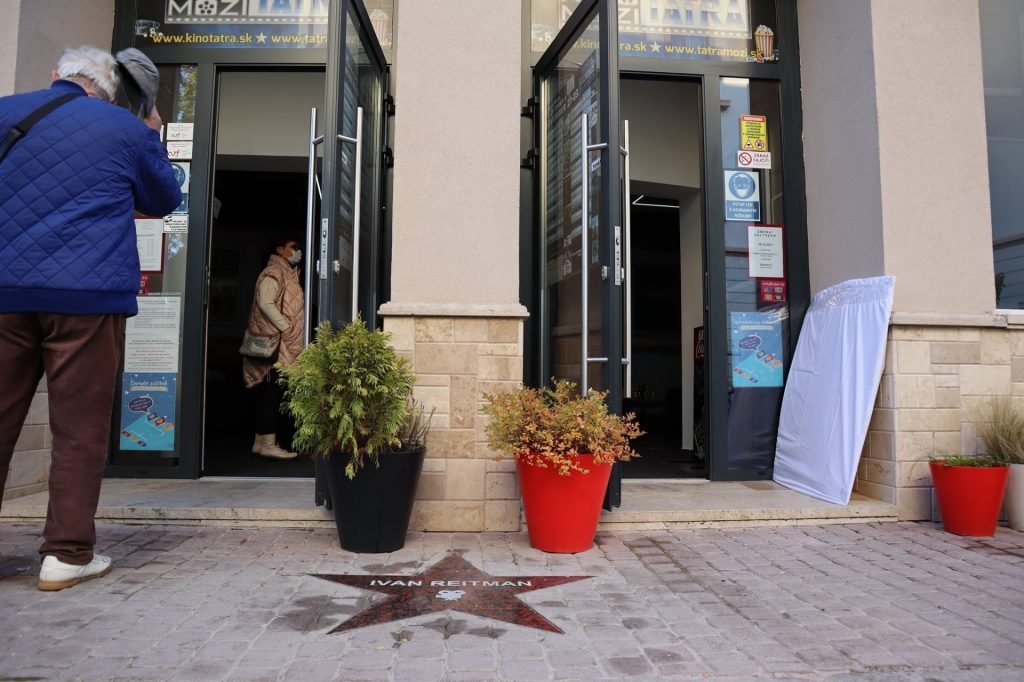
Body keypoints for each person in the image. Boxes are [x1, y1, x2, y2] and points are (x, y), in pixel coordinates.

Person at [0, 46, 181, 591]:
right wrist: (151, 130)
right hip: (87, 297)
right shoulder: (124, 128)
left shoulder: (6, 111)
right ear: (106, 90)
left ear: (55, 74)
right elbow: (164, 198)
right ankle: (66, 554)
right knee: (79, 430)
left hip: (5, 293)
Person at [242, 235, 305, 460]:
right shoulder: (274, 272)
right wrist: (285, 327)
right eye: (293, 247)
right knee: (270, 393)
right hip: (275, 343)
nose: (298, 251)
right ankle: (268, 443)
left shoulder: (287, 273)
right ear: (279, 250)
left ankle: (260, 442)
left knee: (269, 392)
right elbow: (265, 302)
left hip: (281, 343)